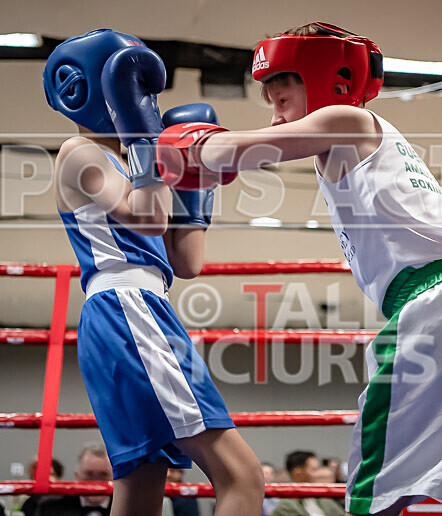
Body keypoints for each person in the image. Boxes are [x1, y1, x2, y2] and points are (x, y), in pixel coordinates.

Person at [107, 21, 442, 516]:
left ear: (324, 82)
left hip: (436, 308)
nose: (277, 115)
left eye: (282, 100)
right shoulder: (388, 144)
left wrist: (175, 145)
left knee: (377, 484)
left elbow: (232, 151)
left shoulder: (345, 118)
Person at [43, 28, 263, 516]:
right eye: (136, 85)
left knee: (142, 485)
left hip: (140, 309)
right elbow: (148, 218)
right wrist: (148, 142)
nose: (145, 97)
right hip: (127, 308)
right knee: (241, 475)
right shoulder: (77, 152)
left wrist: (193, 183)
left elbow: (186, 263)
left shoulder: (132, 167)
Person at [36, 444, 113, 516]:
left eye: (103, 474)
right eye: (89, 474)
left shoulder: (124, 507)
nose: (96, 481)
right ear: (77, 476)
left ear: (114, 477)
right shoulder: (51, 507)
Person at [271, 451, 344, 516]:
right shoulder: (285, 506)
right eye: (314, 469)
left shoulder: (324, 500)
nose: (319, 474)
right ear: (298, 474)